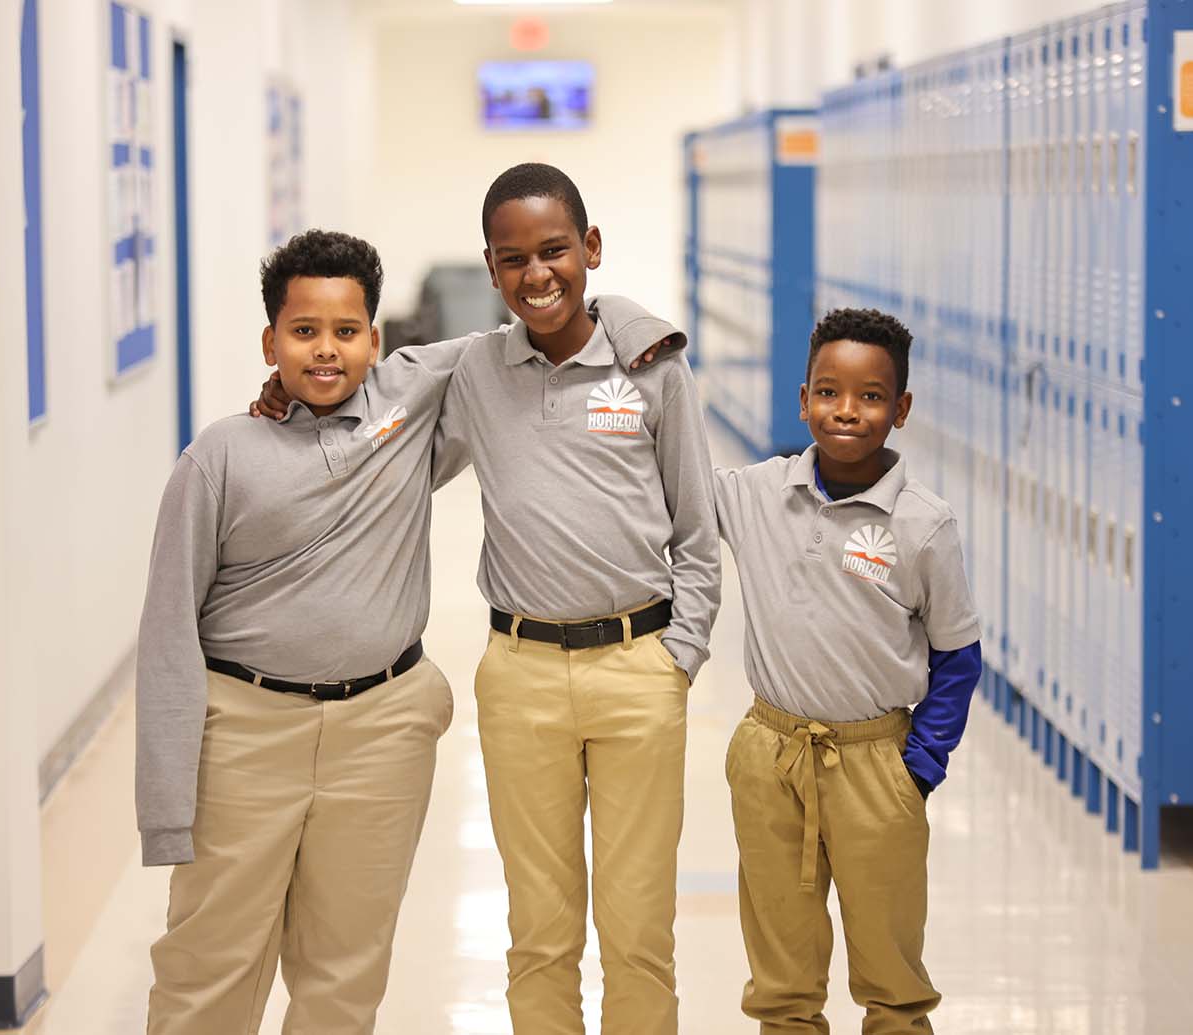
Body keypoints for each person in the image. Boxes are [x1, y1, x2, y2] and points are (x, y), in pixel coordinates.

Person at [136, 230, 466, 1035]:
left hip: (382, 732)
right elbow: (168, 630)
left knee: (345, 974)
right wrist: (165, 808)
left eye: (346, 331)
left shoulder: (405, 411)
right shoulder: (219, 456)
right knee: (208, 967)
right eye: (304, 330)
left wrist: (631, 326)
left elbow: (525, 336)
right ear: (269, 342)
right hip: (245, 734)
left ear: (376, 342)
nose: (325, 350)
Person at [432, 163, 721, 1035]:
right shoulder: (476, 371)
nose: (537, 274)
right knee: (539, 932)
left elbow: (697, 530)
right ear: (491, 267)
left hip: (639, 670)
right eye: (513, 258)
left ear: (591, 247)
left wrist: (679, 658)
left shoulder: (651, 369)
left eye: (554, 249)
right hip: (520, 675)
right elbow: (387, 423)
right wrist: (289, 400)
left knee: (638, 932)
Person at [713, 307, 983, 1034]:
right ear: (804, 399)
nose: (846, 411)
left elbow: (958, 656)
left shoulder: (924, 523)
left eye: (870, 396)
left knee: (893, 983)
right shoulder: (755, 492)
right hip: (771, 758)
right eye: (828, 392)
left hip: (877, 765)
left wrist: (918, 767)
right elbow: (663, 475)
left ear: (901, 409)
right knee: (781, 982)